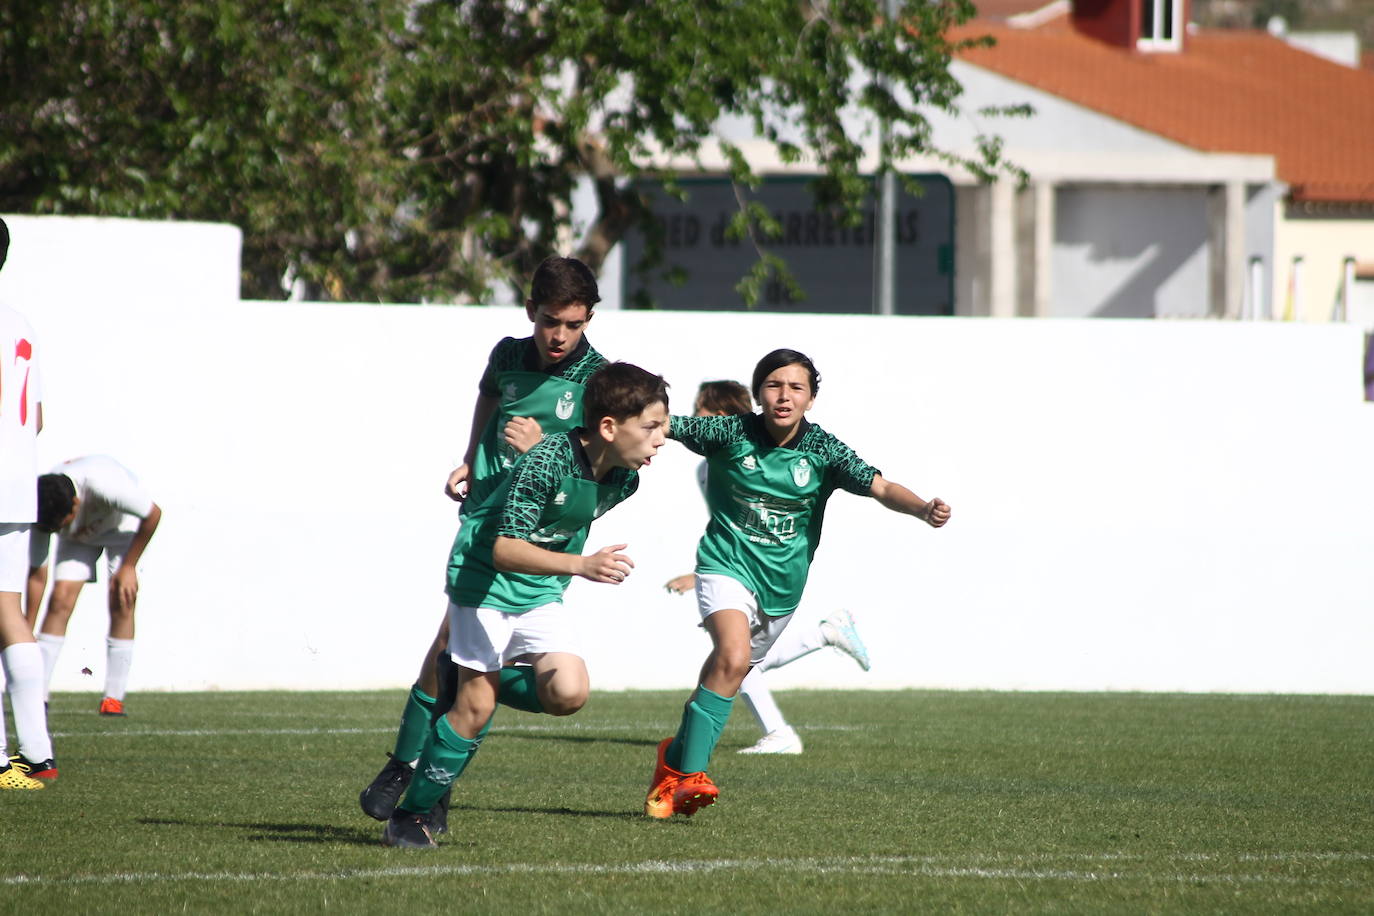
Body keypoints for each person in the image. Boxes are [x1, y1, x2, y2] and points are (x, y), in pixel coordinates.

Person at [645, 349, 951, 819]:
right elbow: (666, 426)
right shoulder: (730, 431)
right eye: (773, 384)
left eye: (795, 387)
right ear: (758, 392)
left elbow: (881, 486)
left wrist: (922, 508)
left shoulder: (824, 450)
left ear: (810, 398)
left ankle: (673, 764)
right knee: (733, 657)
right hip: (724, 565)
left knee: (726, 674)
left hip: (782, 589)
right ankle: (689, 779)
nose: (783, 395)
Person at [382, 362, 670, 848]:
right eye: (652, 428)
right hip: (485, 580)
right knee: (473, 712)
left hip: (537, 589)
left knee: (568, 693)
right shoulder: (546, 462)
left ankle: (468, 681)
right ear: (608, 427)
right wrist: (581, 564)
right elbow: (503, 548)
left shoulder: (625, 478)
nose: (661, 439)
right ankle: (408, 816)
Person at [360, 255, 607, 822]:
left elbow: (595, 459)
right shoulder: (506, 354)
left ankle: (433, 756)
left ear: (589, 318)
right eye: (550, 321)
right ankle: (408, 767)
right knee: (447, 643)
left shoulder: (599, 380)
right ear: (530, 312)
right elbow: (489, 400)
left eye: (573, 324)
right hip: (485, 517)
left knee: (475, 672)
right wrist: (471, 458)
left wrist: (547, 447)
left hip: (537, 534)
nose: (560, 336)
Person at [663, 380, 871, 755]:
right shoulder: (708, 468)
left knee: (736, 660)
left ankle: (776, 728)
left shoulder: (776, 454)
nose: (697, 419)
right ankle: (700, 754)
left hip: (777, 580)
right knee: (735, 657)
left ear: (726, 418)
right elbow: (733, 530)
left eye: (703, 411)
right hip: (735, 572)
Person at [27, 455, 162, 717]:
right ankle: (37, 694)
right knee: (60, 599)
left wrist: (129, 567)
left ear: (76, 504)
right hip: (80, 540)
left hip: (123, 530)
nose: (55, 532)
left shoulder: (104, 486)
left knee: (122, 599)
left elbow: (153, 514)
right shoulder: (41, 508)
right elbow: (37, 575)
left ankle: (113, 698)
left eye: (60, 526)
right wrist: (25, 632)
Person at [0, 216, 56, 788]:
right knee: (9, 611)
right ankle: (37, 752)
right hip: (17, 482)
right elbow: (35, 418)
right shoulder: (20, 323)